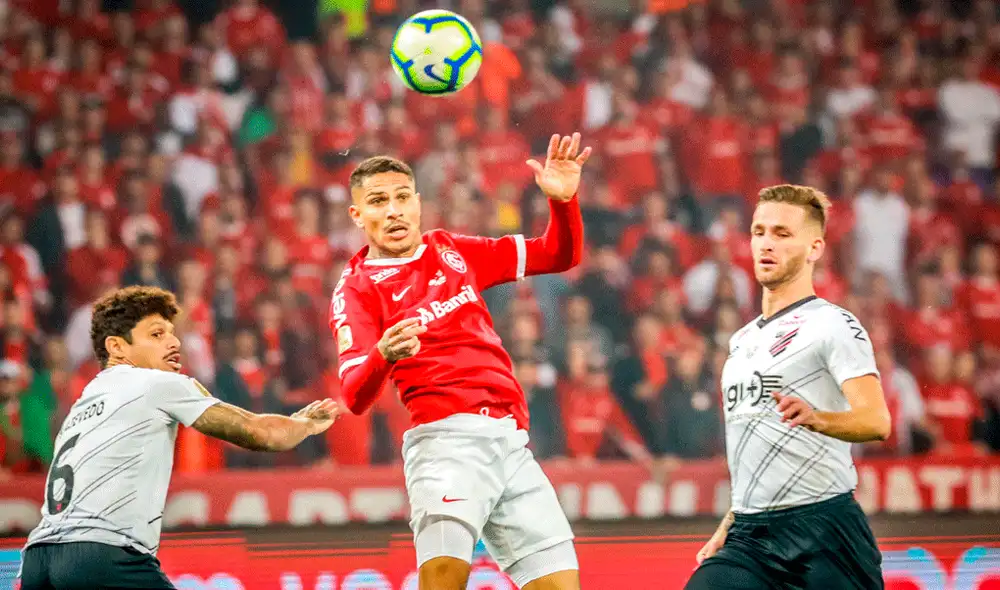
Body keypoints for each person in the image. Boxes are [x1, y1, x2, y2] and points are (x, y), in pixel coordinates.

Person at [331, 133, 590, 590]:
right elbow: (354, 395)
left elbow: (558, 254)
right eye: (377, 202)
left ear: (418, 203)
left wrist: (563, 202)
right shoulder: (357, 289)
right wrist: (383, 354)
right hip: (445, 445)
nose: (393, 211)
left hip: (511, 442)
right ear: (357, 215)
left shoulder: (451, 250)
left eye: (401, 197)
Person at [19, 286, 339, 590]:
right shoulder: (156, 383)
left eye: (172, 333)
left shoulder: (85, 400)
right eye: (157, 334)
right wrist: (305, 424)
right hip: (104, 555)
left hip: (38, 560)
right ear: (116, 347)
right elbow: (261, 433)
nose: (174, 342)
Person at [685, 184, 891, 590]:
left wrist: (818, 419)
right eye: (759, 231)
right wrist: (732, 518)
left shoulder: (834, 324)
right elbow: (755, 445)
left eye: (782, 234)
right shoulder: (741, 341)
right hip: (749, 537)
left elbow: (877, 421)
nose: (766, 243)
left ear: (814, 248)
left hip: (825, 532)